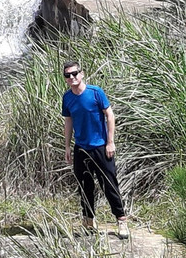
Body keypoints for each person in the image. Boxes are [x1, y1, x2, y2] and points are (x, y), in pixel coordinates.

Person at [61, 60, 128, 239]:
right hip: (81, 148)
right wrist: (67, 146)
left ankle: (121, 220)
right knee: (85, 187)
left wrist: (110, 141)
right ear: (65, 79)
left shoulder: (95, 92)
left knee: (109, 184)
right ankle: (89, 221)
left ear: (81, 74)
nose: (72, 77)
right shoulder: (67, 98)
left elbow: (109, 114)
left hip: (100, 147)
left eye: (74, 73)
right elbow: (68, 121)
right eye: (68, 75)